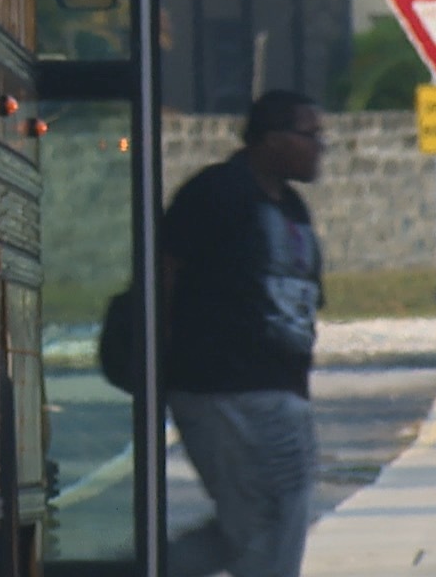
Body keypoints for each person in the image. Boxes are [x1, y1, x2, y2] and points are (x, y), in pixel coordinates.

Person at [163, 89, 325, 577]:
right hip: (225, 391)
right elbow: (165, 275)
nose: (320, 147)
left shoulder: (292, 206)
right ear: (271, 139)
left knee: (269, 524)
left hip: (281, 391)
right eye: (309, 134)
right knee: (266, 525)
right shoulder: (216, 193)